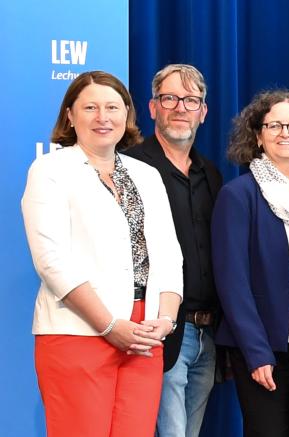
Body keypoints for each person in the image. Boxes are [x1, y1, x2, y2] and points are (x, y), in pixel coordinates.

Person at [23, 70, 183, 436]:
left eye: (112, 107)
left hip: (144, 333)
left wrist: (167, 320)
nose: (103, 117)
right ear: (70, 115)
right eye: (90, 107)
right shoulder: (50, 170)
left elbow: (170, 255)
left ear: (126, 114)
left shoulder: (147, 174)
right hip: (78, 331)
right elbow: (52, 260)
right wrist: (109, 326)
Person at [212, 90, 289, 437]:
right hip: (264, 345)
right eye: (274, 125)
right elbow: (232, 282)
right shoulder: (239, 195)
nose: (285, 132)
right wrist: (256, 352)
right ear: (257, 135)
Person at [123, 64, 223, 437]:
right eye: (170, 98)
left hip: (206, 334)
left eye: (191, 100)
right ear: (152, 108)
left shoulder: (210, 173)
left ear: (203, 111)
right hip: (159, 330)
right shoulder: (130, 166)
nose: (181, 107)